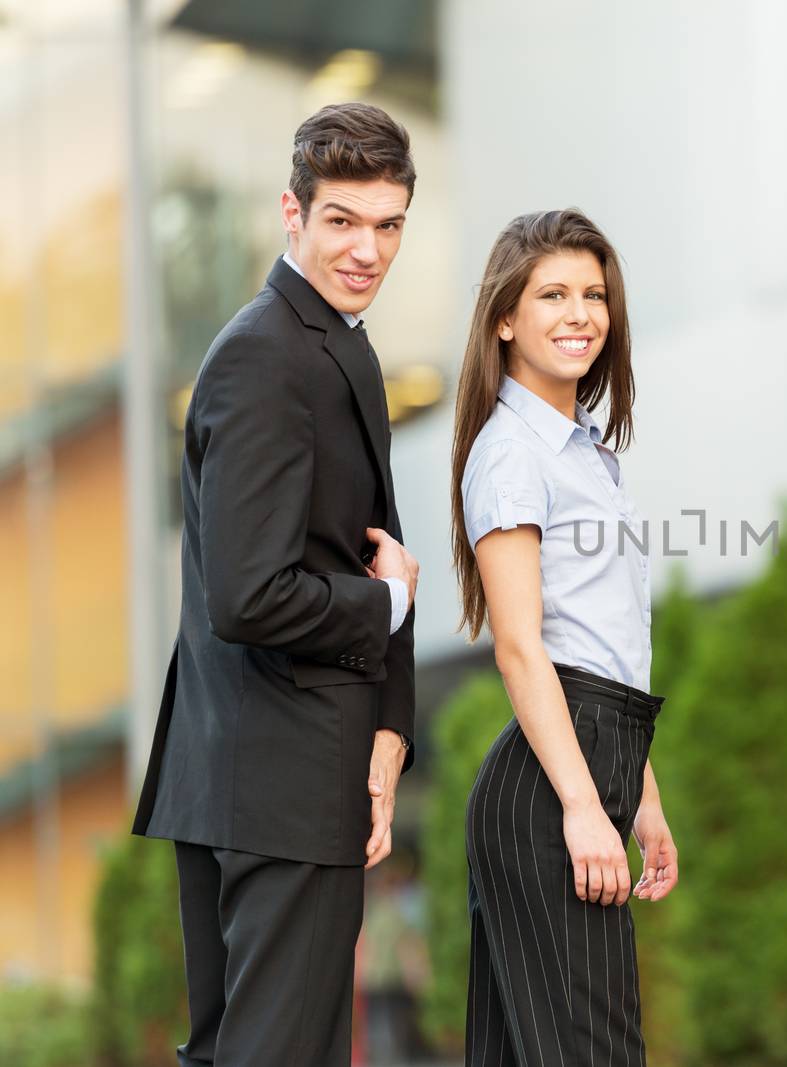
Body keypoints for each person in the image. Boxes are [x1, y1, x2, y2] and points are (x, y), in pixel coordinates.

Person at [131, 102, 420, 1067]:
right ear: (290, 215)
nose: (367, 249)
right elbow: (250, 595)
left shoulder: (333, 342)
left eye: (388, 225)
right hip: (276, 781)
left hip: (271, 772)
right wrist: (386, 605)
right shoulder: (267, 354)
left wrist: (388, 731)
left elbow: (358, 542)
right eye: (342, 220)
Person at [450, 209, 677, 1065]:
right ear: (506, 317)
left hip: (594, 755)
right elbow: (522, 645)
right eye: (553, 293)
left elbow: (605, 642)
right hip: (550, 792)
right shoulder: (511, 452)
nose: (580, 312)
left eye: (594, 294)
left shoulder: (588, 455)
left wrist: (641, 795)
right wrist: (586, 805)